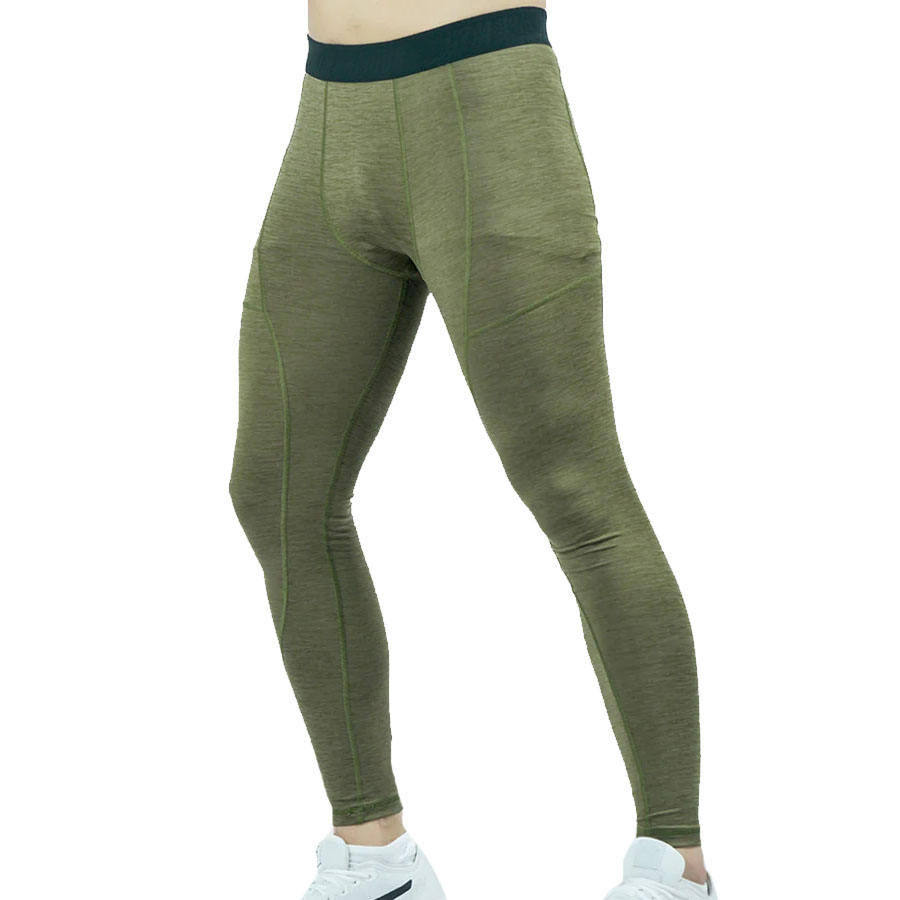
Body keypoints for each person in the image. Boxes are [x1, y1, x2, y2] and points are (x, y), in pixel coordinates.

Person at [229, 3, 716, 897]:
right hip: (329, 115)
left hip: (487, 104)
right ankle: (375, 858)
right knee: (277, 489)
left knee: (576, 492)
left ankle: (675, 862)